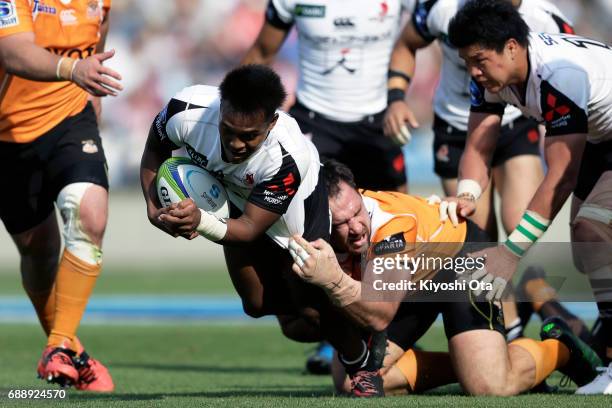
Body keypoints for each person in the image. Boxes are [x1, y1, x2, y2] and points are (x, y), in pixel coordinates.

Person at [140, 64, 385, 397]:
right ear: (219, 108)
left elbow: (251, 228)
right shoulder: (186, 110)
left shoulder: (288, 156)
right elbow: (155, 150)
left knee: (310, 297)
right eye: (228, 130)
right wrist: (153, 207)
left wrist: (200, 221)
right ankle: (341, 317)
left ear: (271, 123)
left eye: (249, 135)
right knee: (255, 303)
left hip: (298, 205)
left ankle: (360, 363)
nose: (236, 144)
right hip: (234, 194)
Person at [288, 159, 601, 396]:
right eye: (342, 223)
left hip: (464, 259)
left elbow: (380, 314)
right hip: (414, 282)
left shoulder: (392, 226)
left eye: (357, 212)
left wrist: (332, 281)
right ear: (323, 220)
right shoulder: (317, 229)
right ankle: (474, 365)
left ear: (359, 192)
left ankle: (561, 351)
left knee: (489, 387)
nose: (356, 227)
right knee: (350, 381)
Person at [442, 0, 612, 394]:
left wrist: (511, 251)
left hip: (599, 143)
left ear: (513, 47)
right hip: (600, 140)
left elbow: (562, 176)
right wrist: (468, 194)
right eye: (468, 61)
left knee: (593, 233)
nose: (473, 72)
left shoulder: (558, 75)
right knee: (589, 254)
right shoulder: (492, 75)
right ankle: (602, 347)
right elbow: (478, 146)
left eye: (480, 60)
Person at [384, 0, 575, 339]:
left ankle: (532, 289)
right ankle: (512, 331)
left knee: (521, 224)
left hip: (516, 122)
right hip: (457, 129)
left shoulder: (544, 18)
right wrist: (397, 97)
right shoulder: (439, 8)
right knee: (478, 244)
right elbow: (406, 45)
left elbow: (573, 71)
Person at [243, 0, 415, 374]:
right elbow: (262, 51)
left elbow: (414, 42)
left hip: (377, 122)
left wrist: (399, 97)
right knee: (313, 232)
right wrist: (234, 115)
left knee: (391, 225)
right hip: (315, 122)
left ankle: (390, 324)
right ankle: (332, 333)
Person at [0, 0, 122, 391]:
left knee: (89, 215)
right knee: (38, 250)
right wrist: (74, 69)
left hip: (69, 119)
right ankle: (75, 352)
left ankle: (57, 346)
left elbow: (95, 41)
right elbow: (13, 52)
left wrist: (93, 94)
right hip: (8, 138)